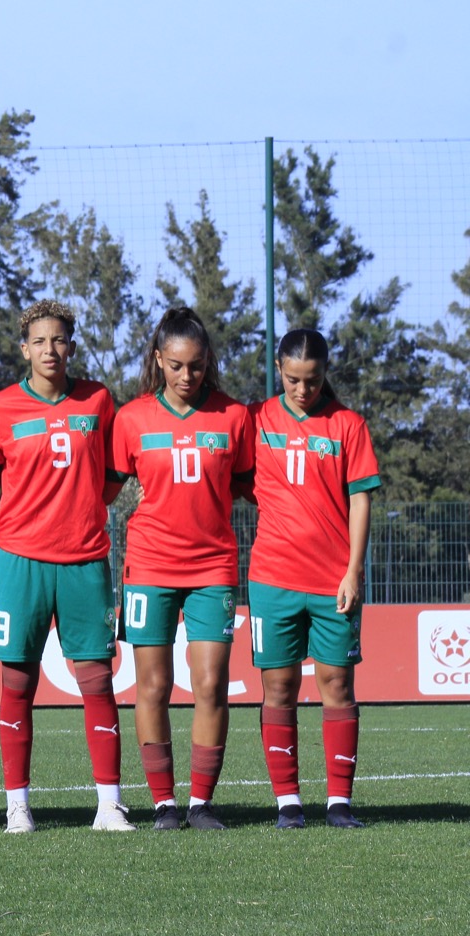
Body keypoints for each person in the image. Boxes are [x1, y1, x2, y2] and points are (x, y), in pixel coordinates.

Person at [0, 299, 131, 833]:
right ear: (24, 349)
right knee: (16, 682)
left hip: (85, 560)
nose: (50, 349)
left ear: (72, 345)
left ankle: (109, 804)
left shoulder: (97, 400)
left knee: (96, 682)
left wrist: (83, 506)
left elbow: (113, 477)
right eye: (39, 341)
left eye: (59, 339)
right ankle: (17, 804)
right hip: (21, 561)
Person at [108, 307, 253, 831]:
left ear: (207, 362)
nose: (186, 376)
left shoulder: (234, 417)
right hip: (148, 566)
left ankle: (202, 803)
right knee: (153, 685)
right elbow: (107, 486)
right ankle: (165, 803)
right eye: (175, 366)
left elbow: (249, 485)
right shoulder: (131, 419)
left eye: (195, 366)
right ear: (157, 360)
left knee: (211, 683)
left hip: (213, 566)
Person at [247, 328, 378, 829]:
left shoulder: (348, 425)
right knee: (278, 687)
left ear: (326, 373)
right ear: (278, 368)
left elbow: (361, 498)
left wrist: (353, 570)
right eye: (295, 379)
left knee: (336, 685)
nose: (304, 389)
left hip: (332, 582)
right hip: (272, 578)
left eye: (314, 379)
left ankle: (339, 803)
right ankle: (288, 804)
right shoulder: (256, 421)